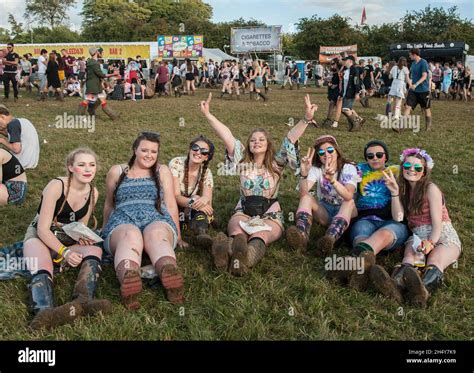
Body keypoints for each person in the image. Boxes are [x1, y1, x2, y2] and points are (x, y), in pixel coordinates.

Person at [200, 93, 316, 276]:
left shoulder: (277, 163)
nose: (257, 142)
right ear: (248, 145)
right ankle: (224, 255)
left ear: (268, 144)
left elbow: (290, 139)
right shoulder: (242, 161)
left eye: (261, 139)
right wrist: (208, 115)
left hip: (271, 213)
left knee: (260, 235)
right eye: (253, 140)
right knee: (238, 232)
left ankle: (244, 259)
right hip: (243, 210)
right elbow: (227, 136)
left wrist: (305, 119)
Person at [23, 148, 111, 330]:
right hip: (40, 235)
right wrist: (65, 252)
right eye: (81, 165)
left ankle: (83, 301)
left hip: (66, 237)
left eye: (92, 165)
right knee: (42, 265)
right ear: (70, 167)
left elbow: (80, 227)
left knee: (95, 249)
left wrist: (83, 238)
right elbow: (42, 228)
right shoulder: (56, 186)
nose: (88, 169)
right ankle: (44, 312)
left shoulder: (93, 192)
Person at [102, 132, 185, 309]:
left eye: (154, 152)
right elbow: (109, 204)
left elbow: (170, 204)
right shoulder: (117, 171)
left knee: (155, 234)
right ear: (135, 150)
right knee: (130, 235)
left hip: (156, 217)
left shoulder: (162, 171)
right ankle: (129, 279)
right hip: (123, 220)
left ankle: (169, 275)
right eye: (145, 150)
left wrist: (177, 235)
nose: (149, 155)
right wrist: (104, 230)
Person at [371, 148, 461, 309]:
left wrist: (431, 243)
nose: (412, 170)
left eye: (418, 168)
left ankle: (421, 292)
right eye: (408, 165)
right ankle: (394, 287)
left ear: (424, 172)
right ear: (403, 166)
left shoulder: (431, 189)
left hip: (441, 234)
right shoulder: (403, 190)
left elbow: (437, 223)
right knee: (409, 260)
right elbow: (398, 217)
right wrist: (394, 193)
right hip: (418, 235)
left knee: (435, 260)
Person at [343, 140, 409, 292]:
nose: (375, 158)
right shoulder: (359, 170)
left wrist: (394, 191)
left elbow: (399, 217)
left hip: (391, 220)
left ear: (386, 157)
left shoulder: (397, 171)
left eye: (379, 155)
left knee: (384, 234)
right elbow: (342, 166)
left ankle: (350, 267)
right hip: (365, 219)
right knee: (360, 236)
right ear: (366, 158)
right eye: (370, 156)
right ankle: (370, 274)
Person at [286, 135, 358, 256]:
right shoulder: (317, 169)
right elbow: (303, 194)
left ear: (337, 151)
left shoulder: (348, 168)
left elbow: (348, 195)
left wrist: (332, 181)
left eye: (330, 150)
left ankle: (329, 239)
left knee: (348, 202)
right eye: (321, 152)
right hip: (326, 211)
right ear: (318, 156)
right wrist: (303, 174)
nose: (326, 154)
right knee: (307, 198)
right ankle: (301, 237)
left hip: (346, 212)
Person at [169, 135, 215, 250]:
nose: (198, 152)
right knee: (196, 199)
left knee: (199, 199)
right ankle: (194, 227)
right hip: (171, 205)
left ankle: (201, 233)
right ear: (190, 150)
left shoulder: (207, 172)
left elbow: (209, 204)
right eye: (195, 148)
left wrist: (204, 200)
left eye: (204, 151)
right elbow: (175, 196)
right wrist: (194, 202)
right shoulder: (176, 163)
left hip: (188, 207)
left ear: (206, 158)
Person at [77, 47, 119, 119]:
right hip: (93, 85)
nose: (102, 53)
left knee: (102, 99)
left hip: (96, 85)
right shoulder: (94, 63)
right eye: (101, 52)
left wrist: (104, 82)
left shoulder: (92, 62)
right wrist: (113, 74)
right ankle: (80, 115)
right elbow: (101, 75)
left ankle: (113, 116)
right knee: (87, 100)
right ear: (97, 52)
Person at [0, 105, 40, 169]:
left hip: (22, 162)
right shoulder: (20, 121)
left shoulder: (12, 125)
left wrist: (2, 141)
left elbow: (16, 149)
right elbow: (13, 135)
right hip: (31, 161)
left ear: (2, 117)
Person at [404, 48, 432, 131]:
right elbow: (412, 76)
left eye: (410, 55)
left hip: (423, 90)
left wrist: (415, 84)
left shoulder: (423, 62)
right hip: (413, 91)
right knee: (407, 107)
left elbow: (424, 76)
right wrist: (410, 84)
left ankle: (428, 127)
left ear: (414, 54)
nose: (409, 56)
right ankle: (400, 127)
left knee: (426, 109)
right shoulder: (413, 64)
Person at [340, 55, 365, 131]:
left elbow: (356, 82)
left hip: (351, 92)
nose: (344, 61)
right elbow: (344, 83)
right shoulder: (346, 70)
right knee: (347, 109)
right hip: (345, 93)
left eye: (345, 60)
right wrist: (341, 94)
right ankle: (355, 123)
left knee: (345, 109)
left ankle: (356, 124)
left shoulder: (354, 70)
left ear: (350, 61)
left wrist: (357, 93)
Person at [321, 58, 343, 128]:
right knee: (331, 104)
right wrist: (329, 83)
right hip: (334, 91)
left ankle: (336, 122)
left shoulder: (340, 72)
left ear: (337, 64)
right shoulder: (334, 72)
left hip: (339, 91)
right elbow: (333, 81)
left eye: (333, 64)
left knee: (344, 108)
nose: (331, 65)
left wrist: (334, 85)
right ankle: (328, 119)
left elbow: (341, 82)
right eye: (331, 64)